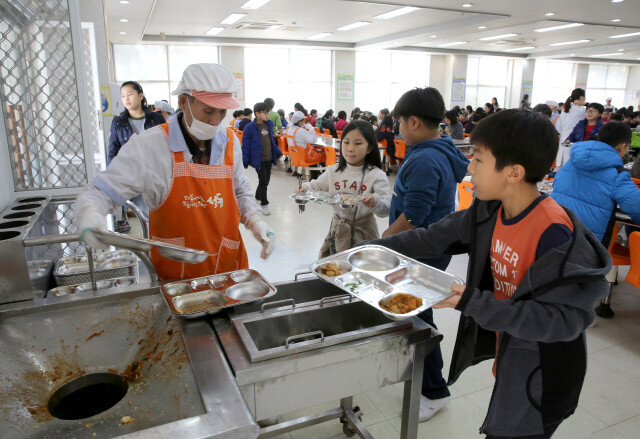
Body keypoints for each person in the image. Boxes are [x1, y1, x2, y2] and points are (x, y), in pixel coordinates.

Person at [368, 109, 610, 438]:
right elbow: (432, 238)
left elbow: (562, 321)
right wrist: (374, 248)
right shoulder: (490, 211)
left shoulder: (554, 233)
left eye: (478, 159)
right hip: (512, 346)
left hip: (545, 368)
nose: (469, 167)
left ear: (513, 172)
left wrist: (469, 300)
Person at [76, 63, 275, 280]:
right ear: (183, 101)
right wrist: (91, 215)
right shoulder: (150, 145)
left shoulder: (229, 142)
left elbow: (240, 191)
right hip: (176, 280)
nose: (216, 120)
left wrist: (256, 221)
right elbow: (100, 192)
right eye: (208, 110)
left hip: (229, 271)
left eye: (222, 111)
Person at [381, 87, 470, 422]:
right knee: (416, 314)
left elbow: (414, 215)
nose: (396, 128)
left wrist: (383, 241)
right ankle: (421, 375)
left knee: (418, 318)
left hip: (422, 249)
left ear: (413, 121)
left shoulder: (424, 158)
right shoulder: (441, 148)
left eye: (398, 122)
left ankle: (434, 391)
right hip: (432, 246)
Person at [296, 120, 390, 256]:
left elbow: (386, 208)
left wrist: (374, 202)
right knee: (336, 269)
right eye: (346, 142)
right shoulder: (333, 170)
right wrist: (305, 187)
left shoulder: (376, 175)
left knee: (360, 271)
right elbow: (316, 185)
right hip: (338, 230)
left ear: (369, 148)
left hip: (364, 233)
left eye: (357, 143)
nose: (350, 148)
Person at [552, 121, 640, 245]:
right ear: (622, 147)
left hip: (555, 231)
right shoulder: (617, 175)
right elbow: (637, 207)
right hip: (588, 245)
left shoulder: (571, 163)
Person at [108, 81, 165, 231]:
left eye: (130, 94)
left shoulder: (156, 119)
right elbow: (113, 150)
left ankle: (157, 244)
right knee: (143, 213)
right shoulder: (118, 122)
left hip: (154, 173)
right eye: (123, 96)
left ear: (140, 96)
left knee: (156, 213)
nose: (126, 99)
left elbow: (165, 147)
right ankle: (151, 244)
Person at [242, 102, 283, 216]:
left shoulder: (268, 125)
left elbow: (271, 142)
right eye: (264, 113)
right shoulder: (249, 127)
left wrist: (278, 152)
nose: (267, 115)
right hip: (258, 159)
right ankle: (264, 204)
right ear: (257, 113)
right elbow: (245, 145)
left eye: (267, 112)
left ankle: (257, 196)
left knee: (265, 180)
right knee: (264, 181)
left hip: (269, 158)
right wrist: (244, 160)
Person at [554, 88, 586, 169]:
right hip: (573, 142)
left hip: (563, 140)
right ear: (582, 97)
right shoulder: (582, 110)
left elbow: (558, 126)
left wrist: (564, 134)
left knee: (560, 167)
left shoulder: (565, 109)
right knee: (569, 167)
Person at [286, 110, 320, 176]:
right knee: (322, 156)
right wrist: (312, 129)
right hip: (305, 156)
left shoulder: (289, 130)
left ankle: (315, 177)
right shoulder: (301, 131)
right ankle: (317, 178)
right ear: (299, 121)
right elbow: (312, 141)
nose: (304, 122)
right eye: (303, 120)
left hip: (296, 157)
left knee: (316, 158)